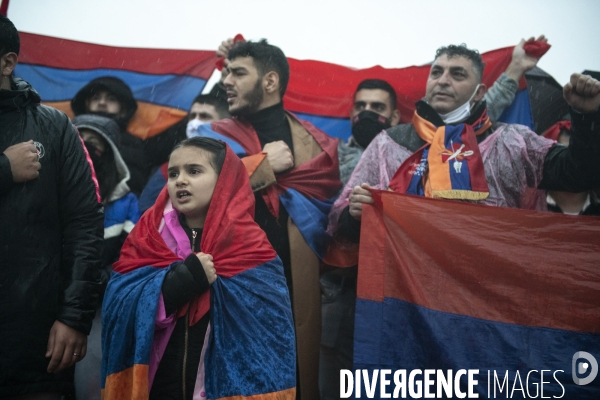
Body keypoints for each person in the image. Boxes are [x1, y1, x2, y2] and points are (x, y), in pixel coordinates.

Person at [326, 43, 600, 400]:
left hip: (488, 318)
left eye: (457, 74)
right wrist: (354, 214)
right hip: (405, 314)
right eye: (436, 72)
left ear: (480, 90)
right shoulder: (388, 144)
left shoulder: (512, 142)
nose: (442, 81)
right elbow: (338, 226)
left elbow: (578, 173)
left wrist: (585, 117)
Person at [101, 137, 296, 399]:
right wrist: (175, 286)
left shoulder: (253, 248)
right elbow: (117, 307)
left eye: (194, 171)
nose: (180, 180)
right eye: (173, 173)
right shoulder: (146, 237)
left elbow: (271, 342)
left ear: (224, 180)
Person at [204, 39, 341, 399]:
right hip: (232, 288)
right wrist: (262, 167)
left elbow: (330, 220)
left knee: (295, 383)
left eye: (237, 72)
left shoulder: (316, 145)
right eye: (226, 72)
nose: (226, 81)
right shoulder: (210, 136)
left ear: (269, 82)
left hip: (299, 292)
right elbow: (197, 201)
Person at [0, 15, 103, 399]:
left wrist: (74, 316)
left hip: (36, 341)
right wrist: (5, 169)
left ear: (8, 63)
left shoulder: (54, 127)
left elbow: (84, 225)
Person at [72, 114, 141, 400]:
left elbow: (136, 258)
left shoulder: (126, 203)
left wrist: (102, 279)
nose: (88, 151)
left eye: (96, 146)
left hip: (101, 311)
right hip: (49, 310)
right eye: (80, 144)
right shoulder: (50, 194)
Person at [139, 93, 231, 212]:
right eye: (192, 116)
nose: (195, 122)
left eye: (204, 116)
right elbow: (147, 210)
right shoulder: (168, 169)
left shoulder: (238, 162)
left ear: (224, 123)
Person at [71, 76, 151, 196]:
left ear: (123, 109)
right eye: (96, 98)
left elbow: (134, 186)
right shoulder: (69, 135)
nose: (102, 103)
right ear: (86, 104)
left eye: (111, 99)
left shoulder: (134, 145)